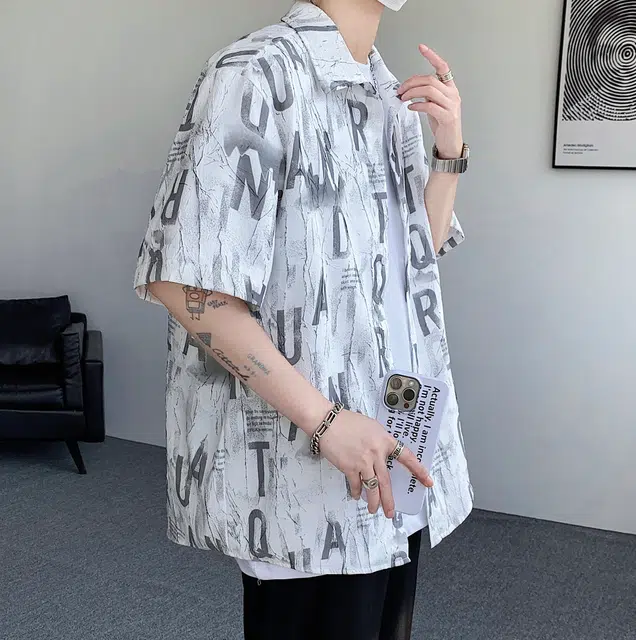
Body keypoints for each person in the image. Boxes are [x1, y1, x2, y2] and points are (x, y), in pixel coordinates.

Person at [133, 0, 473, 638]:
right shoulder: (254, 72)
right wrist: (327, 422)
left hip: (397, 437)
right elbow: (186, 286)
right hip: (310, 470)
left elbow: (415, 260)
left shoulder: (387, 93)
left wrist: (448, 151)